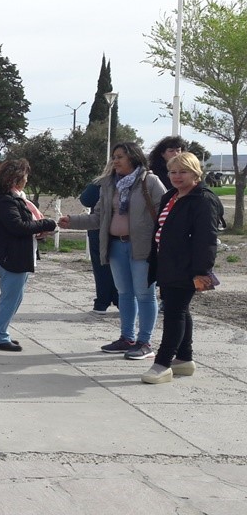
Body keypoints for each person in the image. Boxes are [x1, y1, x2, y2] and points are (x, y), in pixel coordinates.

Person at [59, 142, 167, 360]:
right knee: (124, 293)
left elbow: (165, 211)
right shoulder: (109, 184)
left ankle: (144, 342)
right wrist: (71, 221)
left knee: (145, 294)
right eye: (113, 157)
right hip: (116, 246)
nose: (115, 161)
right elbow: (98, 217)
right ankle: (127, 338)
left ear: (134, 158)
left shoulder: (150, 181)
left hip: (143, 248)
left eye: (120, 156)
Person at [141, 152, 219, 384]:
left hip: (186, 267)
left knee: (174, 313)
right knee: (180, 311)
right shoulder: (171, 197)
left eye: (182, 171)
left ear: (196, 173)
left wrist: (201, 270)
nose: (176, 176)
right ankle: (184, 358)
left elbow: (206, 239)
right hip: (167, 264)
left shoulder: (203, 200)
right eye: (172, 171)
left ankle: (162, 364)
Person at [0, 159, 57, 352]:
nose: (26, 180)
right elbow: (17, 226)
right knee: (11, 297)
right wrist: (46, 224)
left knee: (13, 296)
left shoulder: (8, 197)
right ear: (16, 178)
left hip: (13, 253)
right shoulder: (5, 199)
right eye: (24, 176)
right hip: (11, 255)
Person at [79, 181, 119, 314]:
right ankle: (120, 300)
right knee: (120, 267)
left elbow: (86, 199)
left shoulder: (102, 181)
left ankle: (102, 301)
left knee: (101, 266)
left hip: (101, 228)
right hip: (120, 229)